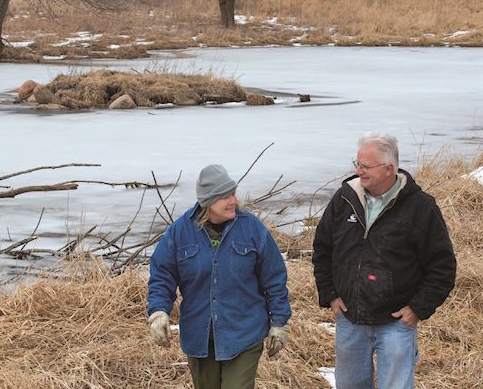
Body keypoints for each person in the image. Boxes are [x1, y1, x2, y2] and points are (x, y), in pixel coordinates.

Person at [312, 132, 457, 389]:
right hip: (350, 320)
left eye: (365, 166)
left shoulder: (420, 207)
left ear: (389, 169)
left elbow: (442, 266)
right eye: (357, 164)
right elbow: (322, 250)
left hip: (396, 325)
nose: (359, 171)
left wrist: (418, 309)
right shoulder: (344, 199)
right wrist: (330, 294)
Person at [147, 164, 291, 389]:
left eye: (232, 193)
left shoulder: (252, 229)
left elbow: (274, 277)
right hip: (199, 337)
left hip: (244, 334)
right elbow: (162, 274)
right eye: (224, 196)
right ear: (207, 201)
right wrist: (158, 312)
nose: (232, 200)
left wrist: (279, 323)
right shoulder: (180, 232)